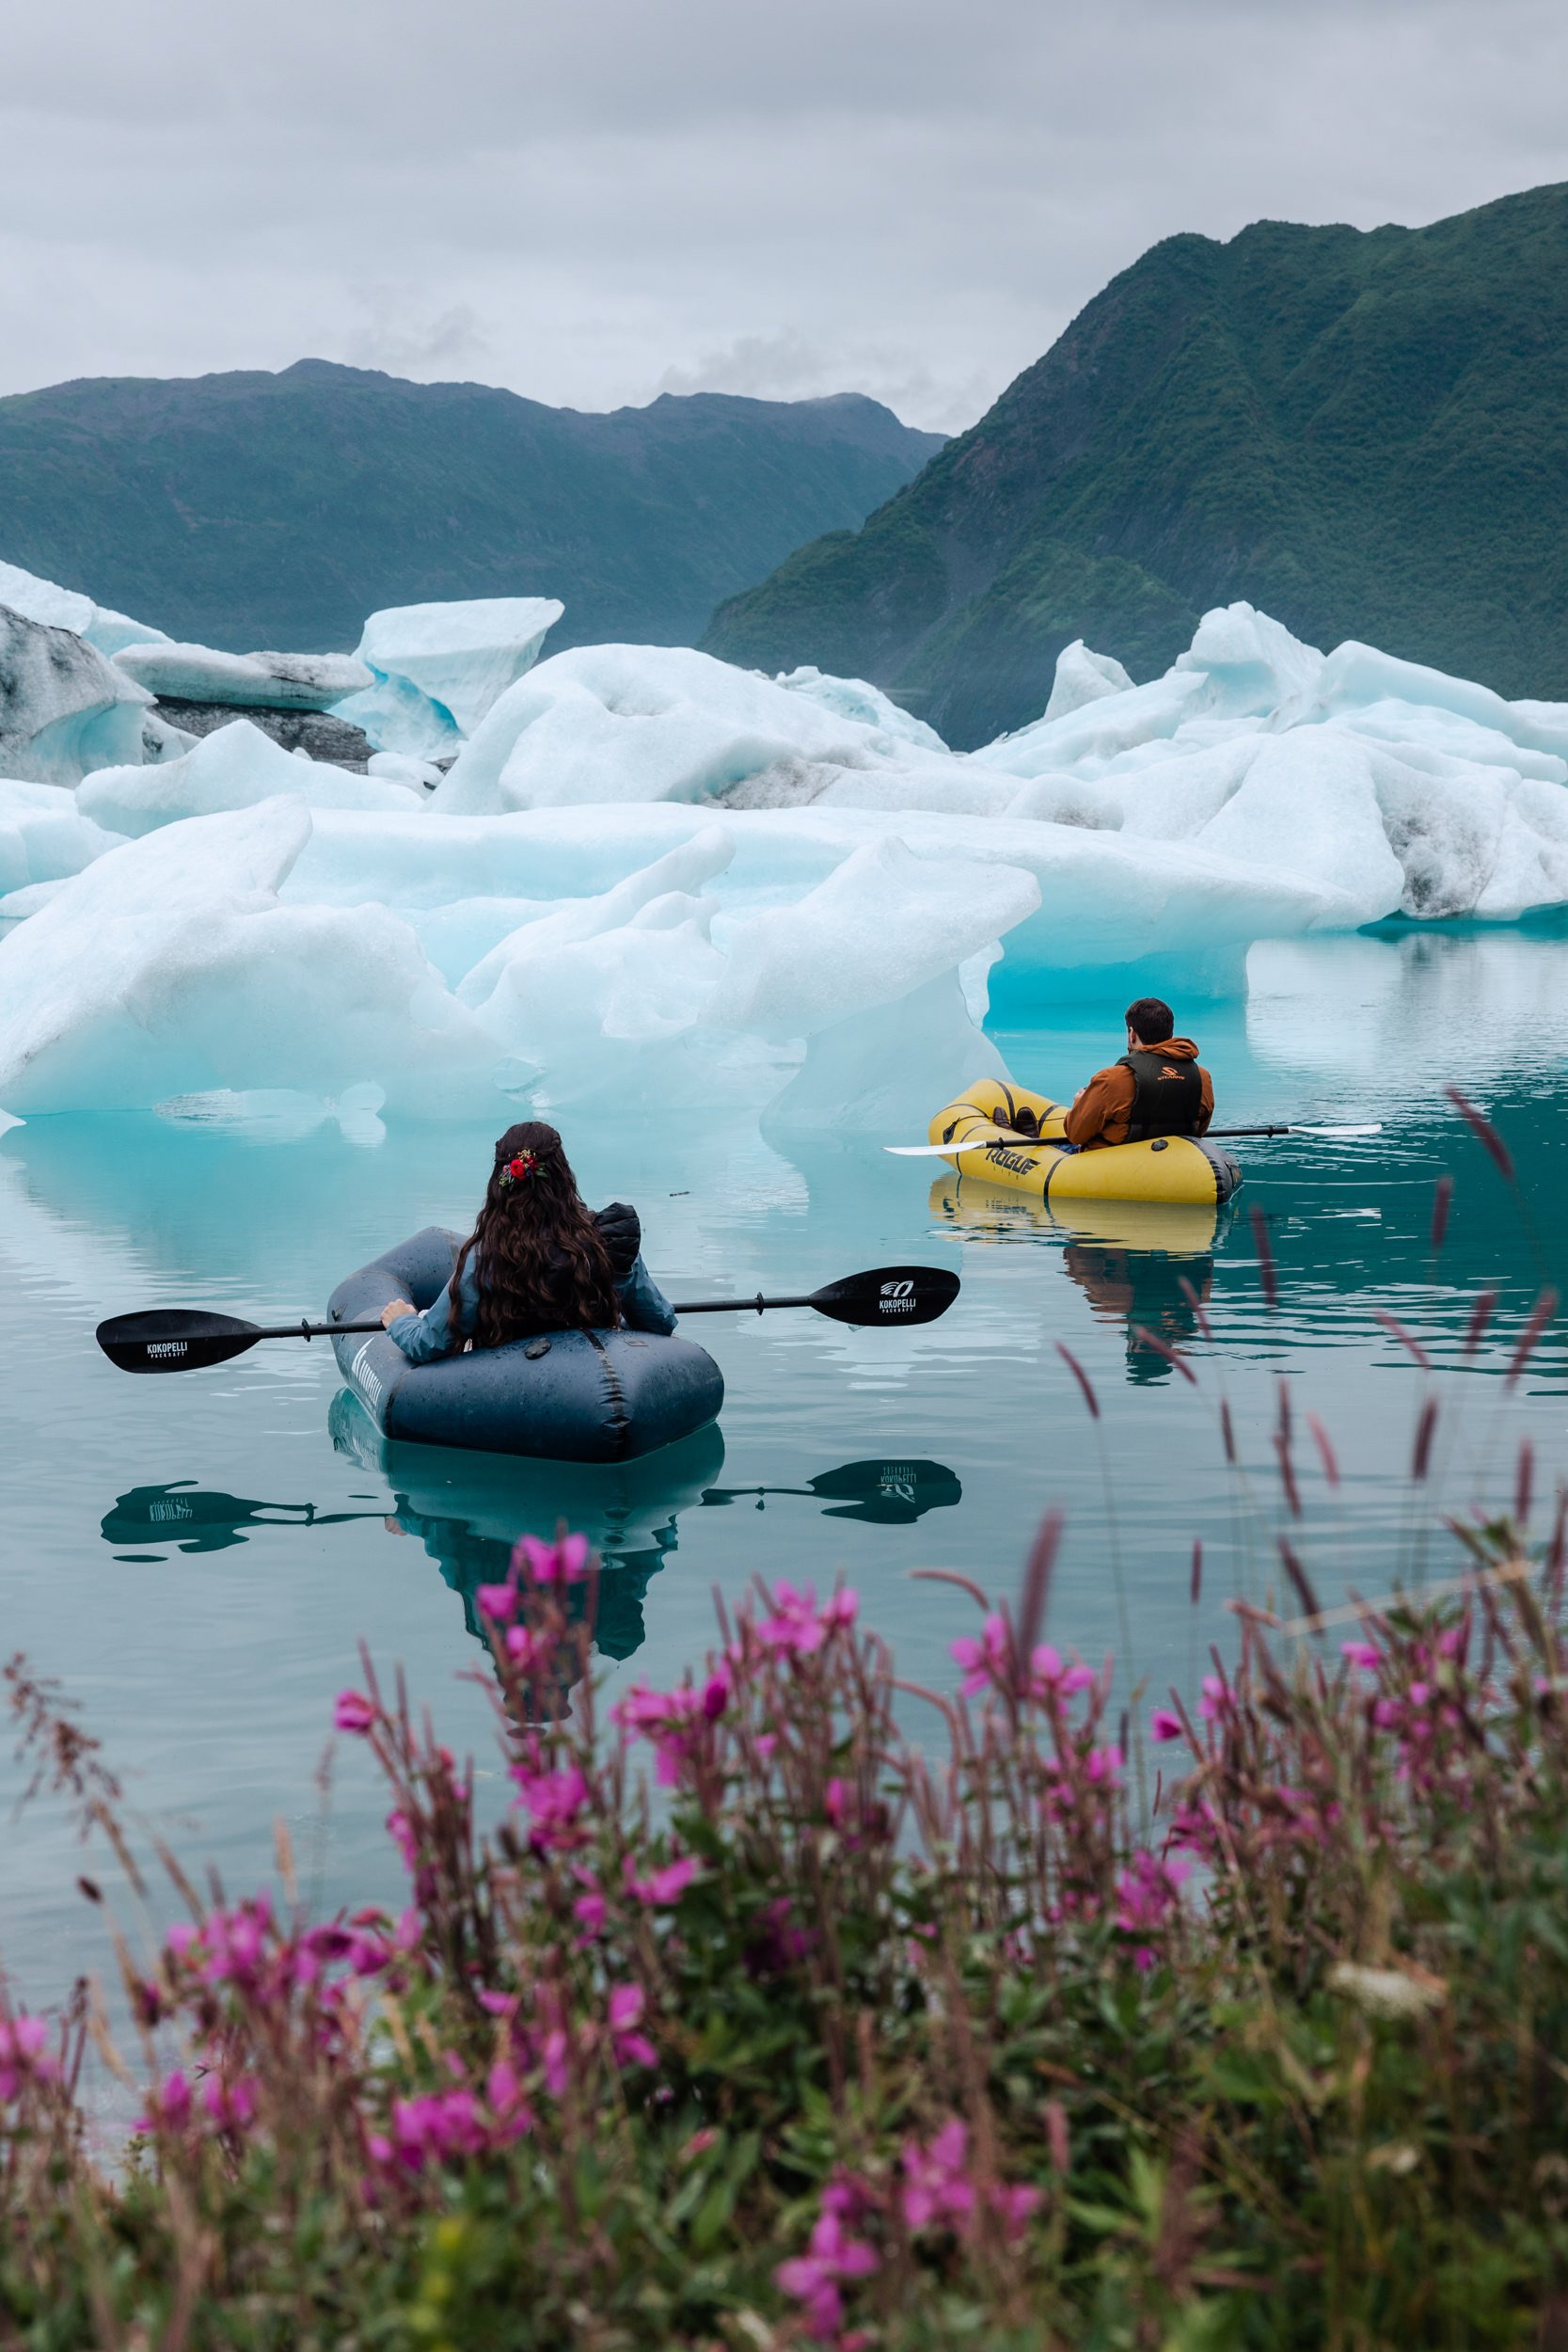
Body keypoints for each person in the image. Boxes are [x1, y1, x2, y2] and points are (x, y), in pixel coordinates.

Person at [379, 1120, 676, 1364]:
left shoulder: (485, 1259)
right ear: (563, 1176)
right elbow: (659, 1323)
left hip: (515, 1396)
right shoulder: (607, 1244)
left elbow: (432, 1343)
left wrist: (401, 1321)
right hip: (599, 1377)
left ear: (500, 1182)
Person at [1061, 998, 1214, 1152]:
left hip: (1115, 1166)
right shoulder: (1202, 1077)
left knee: (1056, 1148)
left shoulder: (1111, 1079)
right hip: (1174, 1161)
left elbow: (1075, 1134)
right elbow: (1199, 1130)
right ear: (1170, 1033)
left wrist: (1079, 1104)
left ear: (1132, 1034)